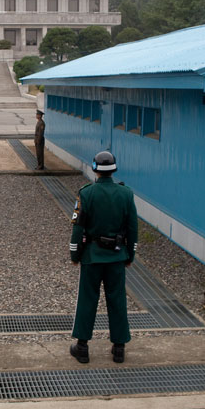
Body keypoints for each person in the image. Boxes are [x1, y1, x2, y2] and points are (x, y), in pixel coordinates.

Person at [68, 151, 138, 364]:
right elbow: (132, 228)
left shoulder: (86, 194)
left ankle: (82, 347)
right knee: (117, 300)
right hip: (116, 257)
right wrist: (130, 254)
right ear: (114, 169)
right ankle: (119, 348)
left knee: (87, 299)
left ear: (95, 169)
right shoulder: (126, 194)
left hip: (92, 256)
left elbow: (78, 229)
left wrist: (75, 253)